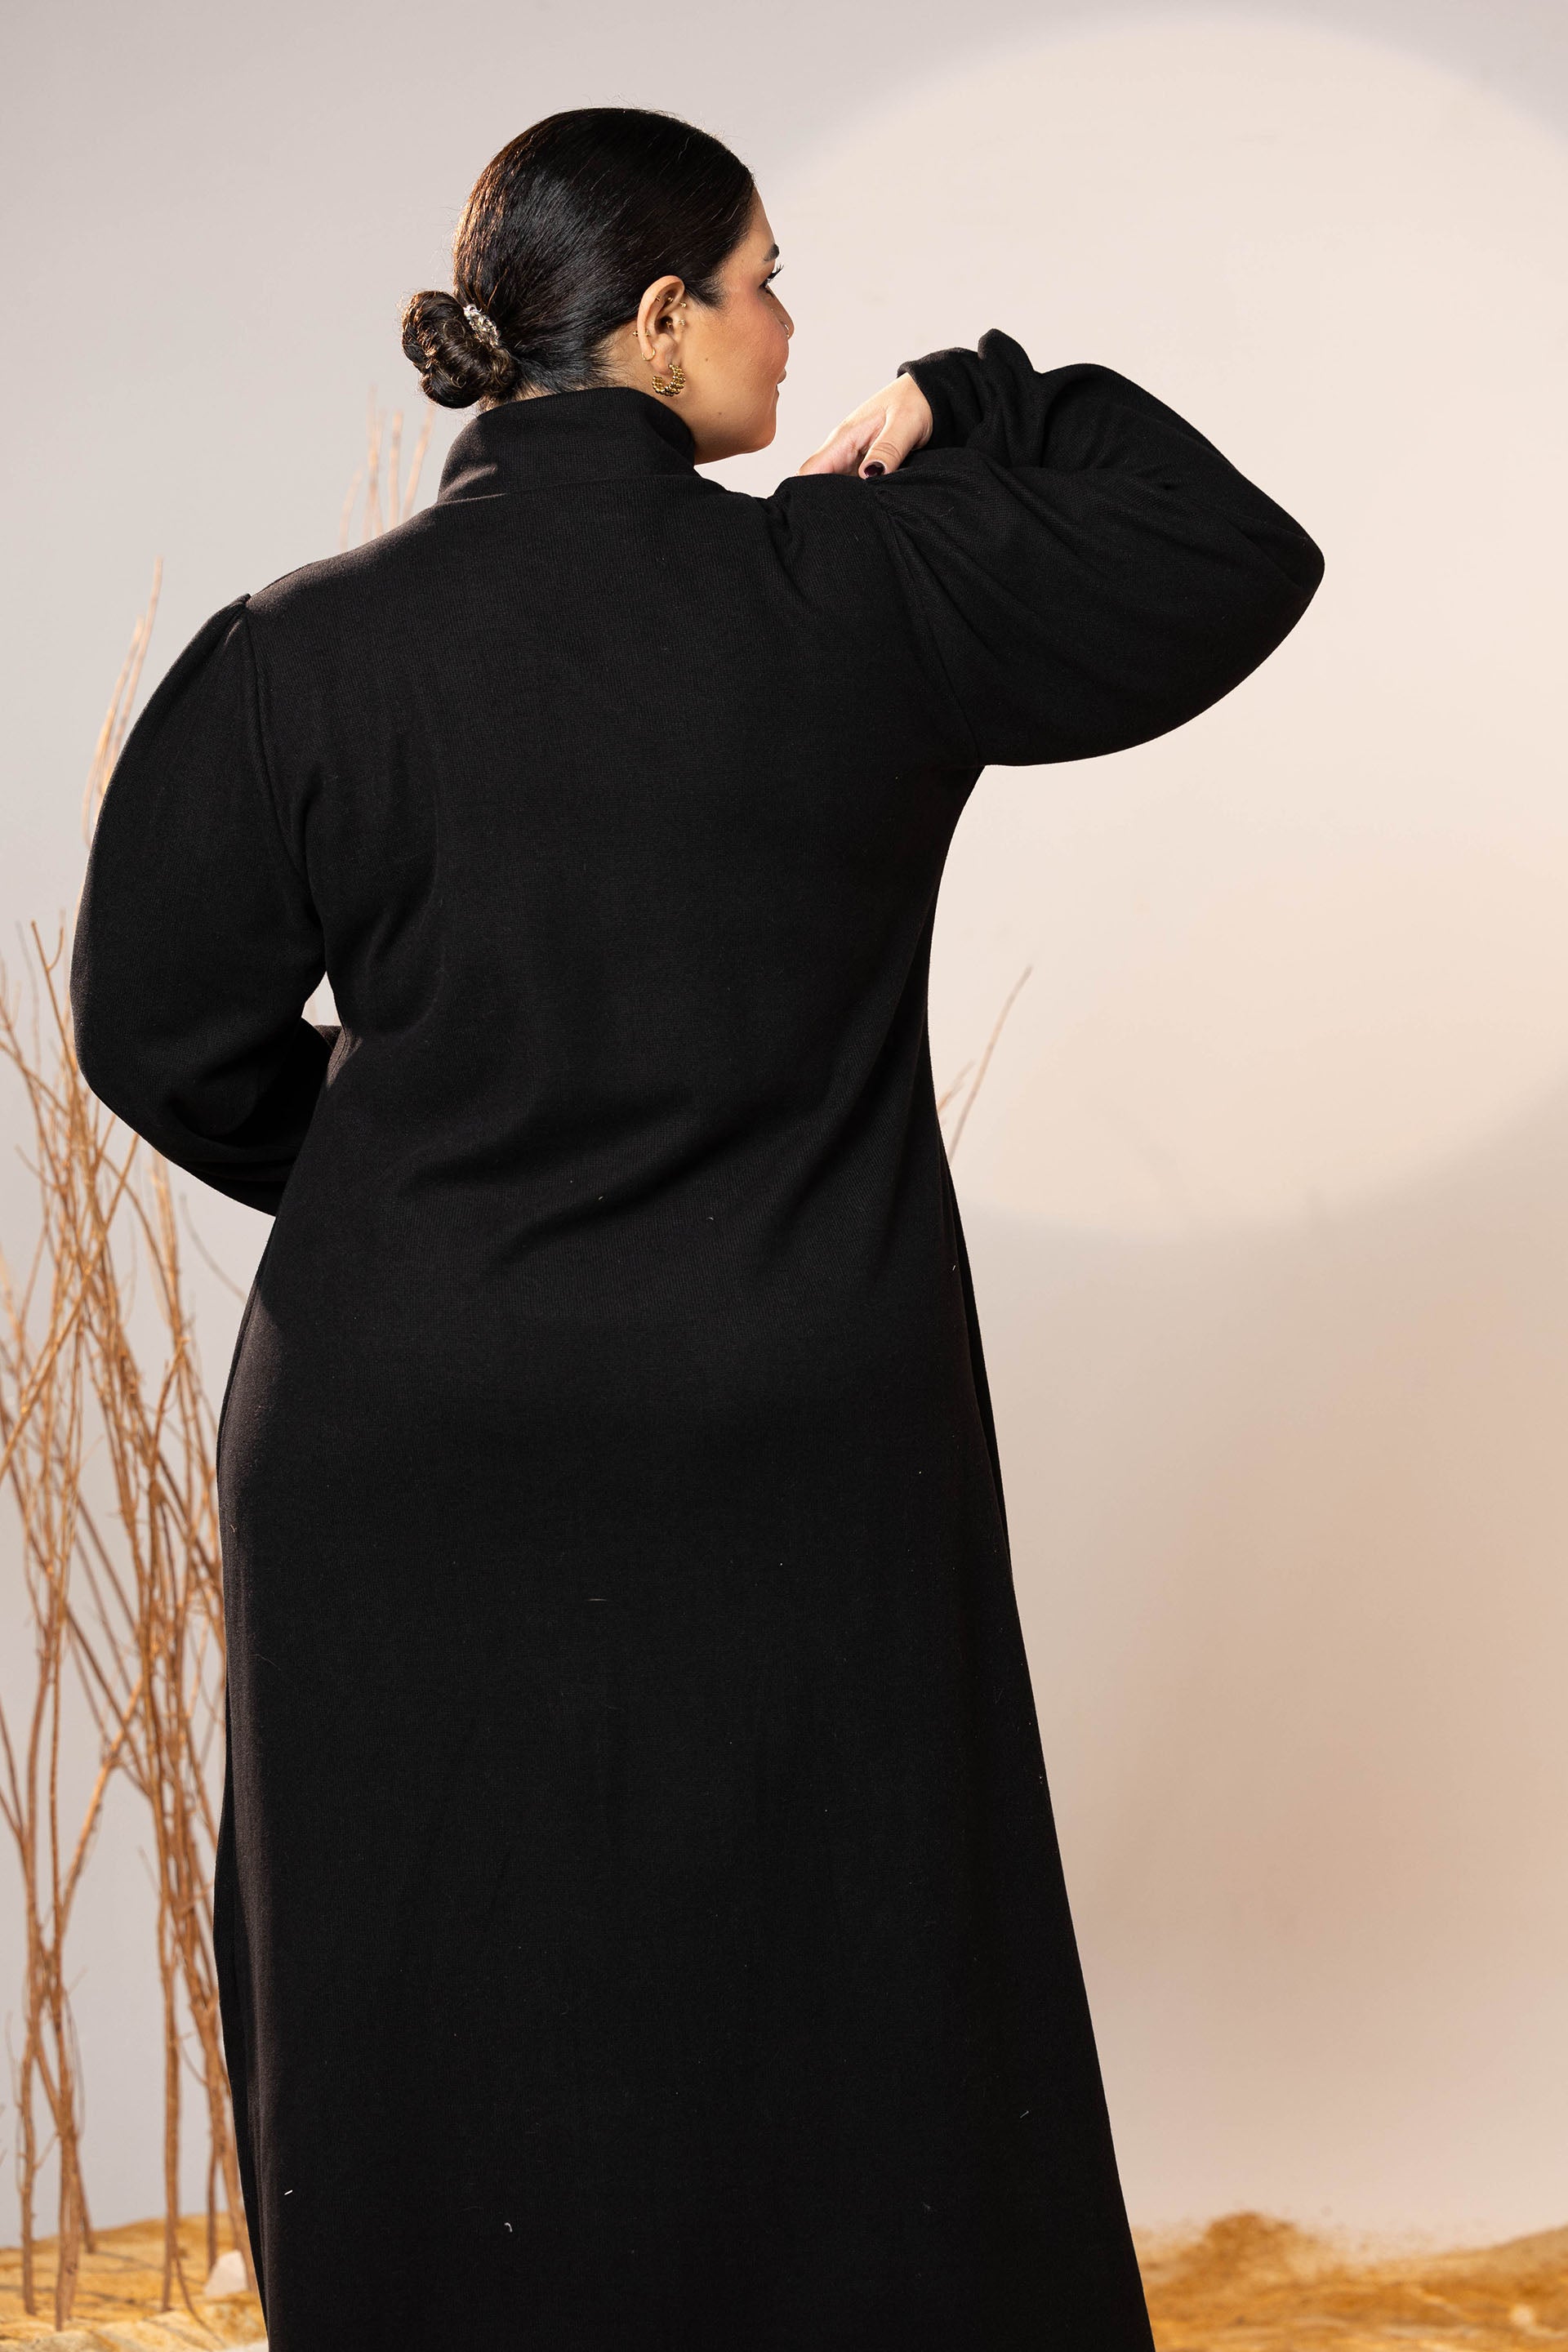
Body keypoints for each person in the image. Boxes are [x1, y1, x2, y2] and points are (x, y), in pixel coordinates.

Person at [69, 104, 1322, 2352]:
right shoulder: (865, 584)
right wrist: (972, 395)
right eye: (765, 284)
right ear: (660, 322)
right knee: (841, 2010)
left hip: (402, 1446)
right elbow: (1229, 551)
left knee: (440, 2009)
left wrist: (411, 1176)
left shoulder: (298, 652)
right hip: (796, 1424)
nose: (795, 330)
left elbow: (154, 1029)